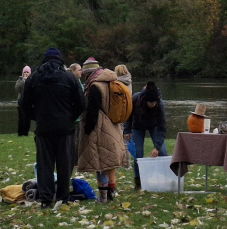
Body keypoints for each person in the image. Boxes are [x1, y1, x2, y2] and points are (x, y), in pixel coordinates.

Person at [19, 47, 86, 209]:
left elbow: (24, 104)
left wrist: (37, 117)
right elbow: (81, 103)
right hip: (65, 129)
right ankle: (63, 197)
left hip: (43, 128)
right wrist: (70, 117)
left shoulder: (33, 79)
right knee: (65, 164)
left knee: (44, 165)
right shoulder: (69, 77)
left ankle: (46, 199)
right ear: (60, 60)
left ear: (45, 60)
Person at [77, 57, 129, 202]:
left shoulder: (95, 86)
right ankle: (111, 194)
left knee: (100, 164)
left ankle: (103, 197)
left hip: (100, 128)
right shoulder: (112, 81)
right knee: (110, 163)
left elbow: (92, 110)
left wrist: (87, 129)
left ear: (89, 73)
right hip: (113, 125)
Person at [123, 81, 167, 189]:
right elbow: (128, 115)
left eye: (154, 103)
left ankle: (165, 178)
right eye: (150, 103)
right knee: (138, 154)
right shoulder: (135, 99)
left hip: (154, 125)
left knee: (162, 152)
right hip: (137, 126)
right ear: (145, 100)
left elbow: (162, 126)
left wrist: (156, 147)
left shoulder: (159, 104)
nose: (152, 104)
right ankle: (138, 182)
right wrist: (127, 130)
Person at [15, 65, 31, 135]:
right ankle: (20, 133)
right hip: (20, 103)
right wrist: (23, 81)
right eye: (25, 72)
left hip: (29, 103)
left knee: (28, 119)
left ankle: (26, 133)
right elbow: (17, 89)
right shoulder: (19, 80)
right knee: (21, 118)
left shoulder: (32, 80)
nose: (26, 73)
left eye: (27, 72)